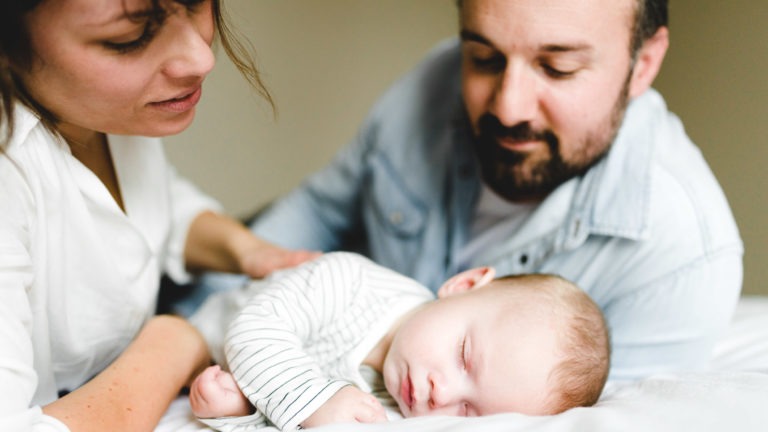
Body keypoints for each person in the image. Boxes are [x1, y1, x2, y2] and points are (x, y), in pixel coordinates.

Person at [198, 0, 743, 382]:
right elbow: (319, 210)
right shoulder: (432, 82)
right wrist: (195, 326)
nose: (508, 106)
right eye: (484, 58)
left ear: (642, 63)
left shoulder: (682, 262)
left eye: (557, 67)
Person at [0, 1, 317, 431]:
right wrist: (174, 343)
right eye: (130, 38)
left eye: (197, 3)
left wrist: (247, 250)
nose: (202, 59)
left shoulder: (99, 113)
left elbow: (158, 205)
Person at [188, 252, 610, 430]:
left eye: (468, 411)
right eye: (463, 357)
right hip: (193, 328)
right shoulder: (348, 281)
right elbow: (255, 329)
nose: (440, 393)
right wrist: (317, 402)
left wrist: (240, 415)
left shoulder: (399, 406)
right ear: (463, 285)